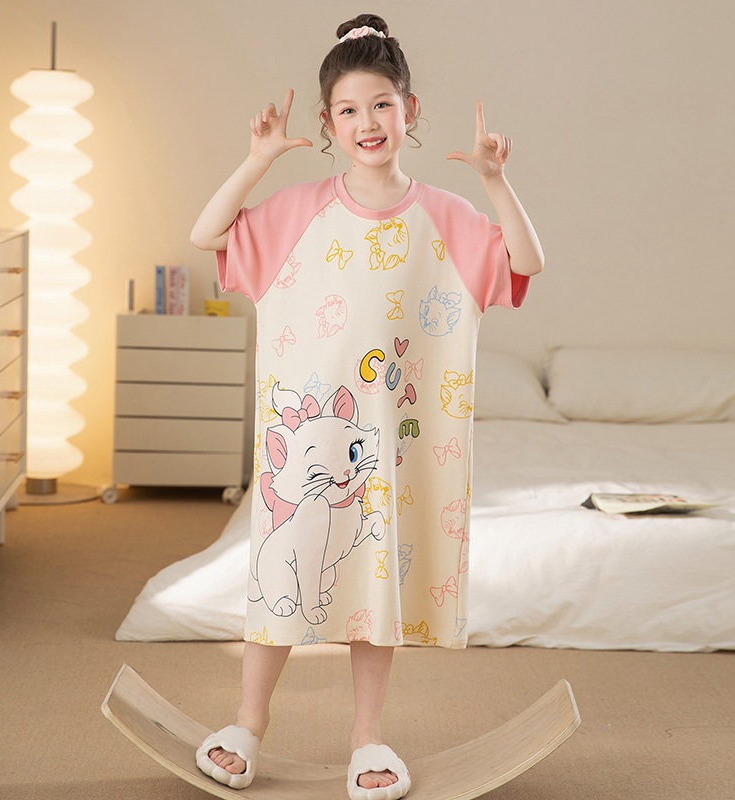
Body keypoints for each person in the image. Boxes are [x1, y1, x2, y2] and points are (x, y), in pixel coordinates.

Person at [189, 13, 544, 800]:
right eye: (348, 109)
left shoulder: (446, 215)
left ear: (409, 109)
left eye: (382, 104)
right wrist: (256, 161)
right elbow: (206, 231)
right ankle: (248, 722)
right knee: (280, 574)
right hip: (307, 447)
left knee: (374, 586)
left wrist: (495, 180)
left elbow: (526, 260)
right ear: (328, 124)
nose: (367, 122)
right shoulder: (296, 212)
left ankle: (367, 737)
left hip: (390, 447)